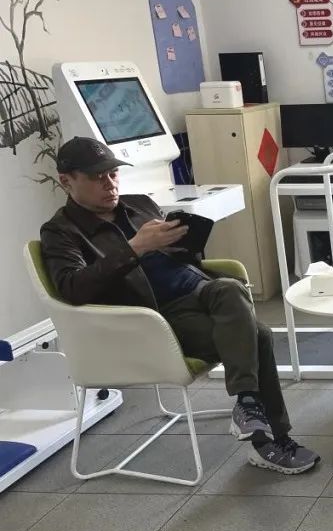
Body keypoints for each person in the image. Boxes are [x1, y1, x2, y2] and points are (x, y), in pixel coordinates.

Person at [40, 137, 319, 474]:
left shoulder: (139, 204)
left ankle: (248, 407)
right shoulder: (61, 232)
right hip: (155, 320)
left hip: (198, 289)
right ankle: (269, 438)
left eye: (113, 174)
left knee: (230, 287)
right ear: (66, 181)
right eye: (97, 177)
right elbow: (73, 288)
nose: (110, 184)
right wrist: (135, 247)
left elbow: (179, 258)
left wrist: (184, 240)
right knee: (257, 335)